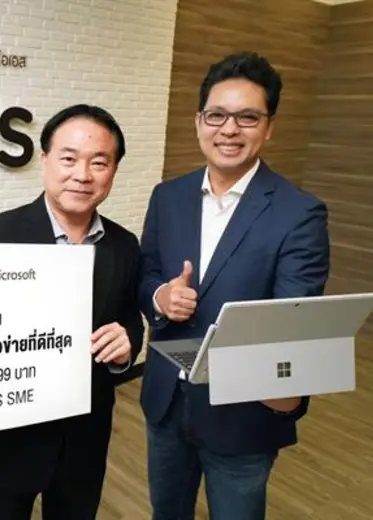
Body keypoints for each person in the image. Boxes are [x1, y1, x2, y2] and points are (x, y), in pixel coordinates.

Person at [138, 52, 331, 520]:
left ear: (268, 127)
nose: (229, 129)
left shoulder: (299, 213)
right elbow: (145, 274)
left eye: (247, 117)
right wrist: (160, 296)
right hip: (166, 402)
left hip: (241, 413)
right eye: (217, 115)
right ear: (198, 121)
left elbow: (293, 319)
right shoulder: (168, 196)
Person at [0, 104, 145, 520]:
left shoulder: (123, 244)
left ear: (113, 171)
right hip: (9, 443)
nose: (82, 175)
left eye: (99, 162)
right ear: (44, 160)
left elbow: (129, 319)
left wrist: (127, 343)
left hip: (85, 441)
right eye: (69, 159)